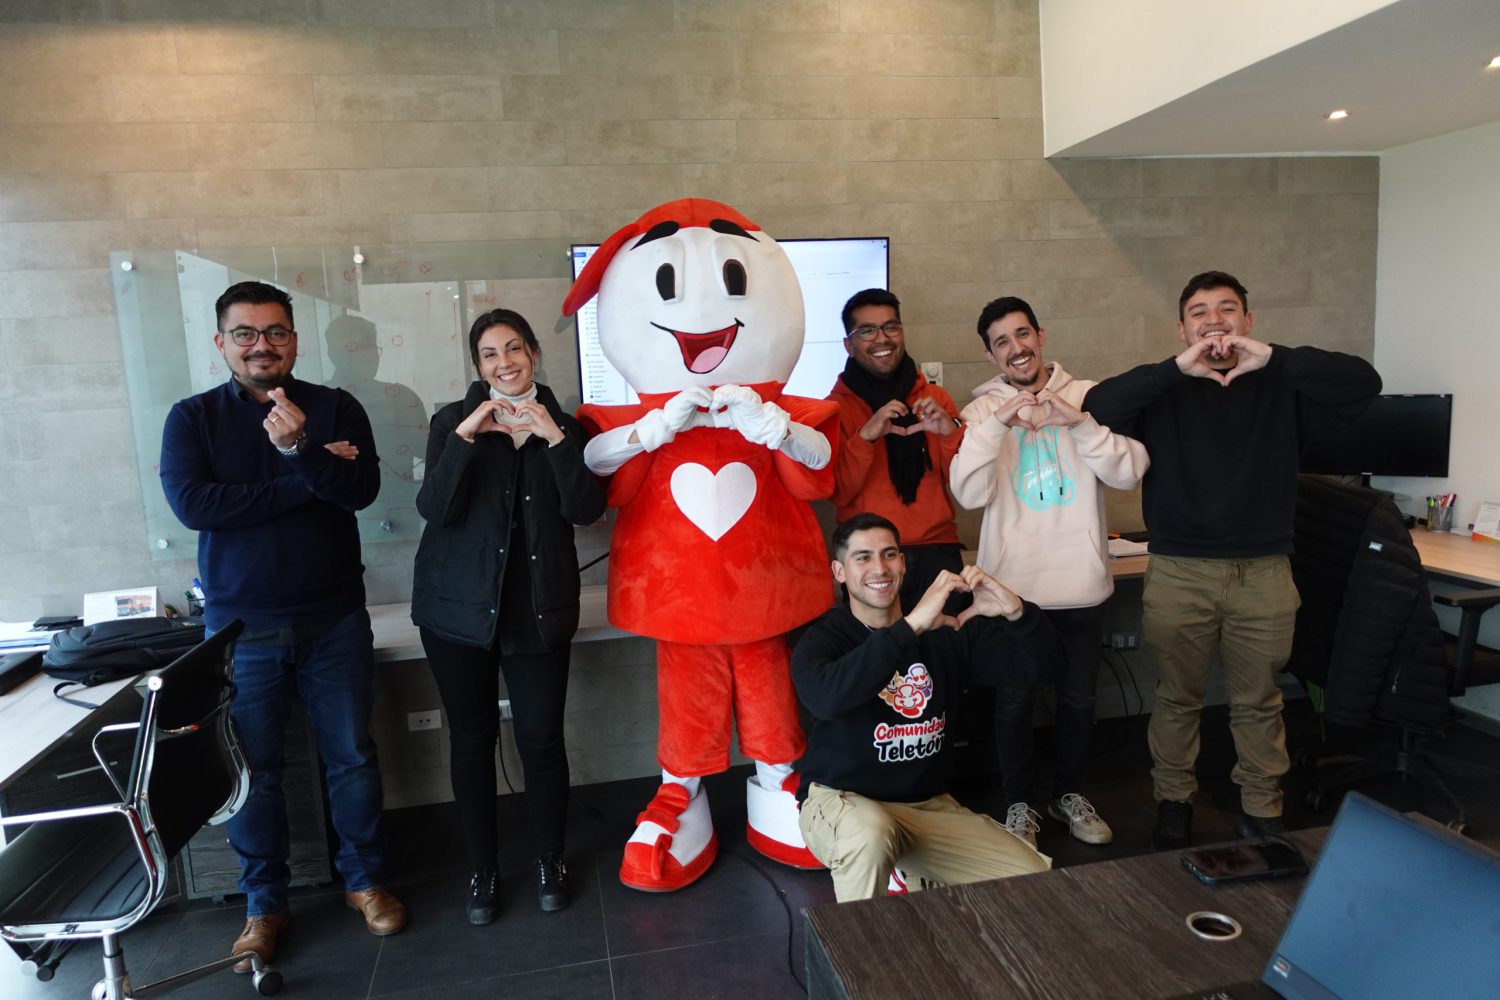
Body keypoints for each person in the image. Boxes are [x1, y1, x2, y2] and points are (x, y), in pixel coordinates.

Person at [1082, 271, 1381, 849]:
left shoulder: (1282, 383)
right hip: (1180, 571)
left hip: (1263, 571)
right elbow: (1098, 405)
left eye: (1226, 309)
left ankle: (1263, 807)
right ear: (1182, 328)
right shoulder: (1164, 389)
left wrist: (1273, 358)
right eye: (1199, 311)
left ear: (1248, 321)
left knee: (1259, 701)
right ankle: (1173, 801)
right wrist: (1176, 369)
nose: (1213, 320)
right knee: (1177, 698)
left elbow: (1363, 383)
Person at [159, 281, 404, 973]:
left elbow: (361, 491)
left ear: (293, 340)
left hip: (334, 619)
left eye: (274, 332)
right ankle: (264, 904)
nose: (261, 345)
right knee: (254, 774)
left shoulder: (336, 406)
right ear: (222, 342)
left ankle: (365, 881)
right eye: (245, 333)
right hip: (242, 632)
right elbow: (197, 506)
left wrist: (304, 450)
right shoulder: (193, 418)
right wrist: (307, 472)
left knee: (352, 757)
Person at [411, 308, 605, 923]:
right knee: (472, 741)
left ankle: (550, 858)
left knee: (541, 739)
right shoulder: (452, 421)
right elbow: (435, 509)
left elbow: (585, 509)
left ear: (534, 354)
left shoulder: (567, 427)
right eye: (491, 354)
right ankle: (483, 867)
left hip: (538, 610)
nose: (505, 363)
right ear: (478, 365)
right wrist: (467, 435)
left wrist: (554, 437)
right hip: (457, 611)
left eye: (514, 349)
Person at [949, 295, 1150, 849]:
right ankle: (1019, 804)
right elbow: (967, 493)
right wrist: (999, 424)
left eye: (1022, 334)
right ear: (990, 355)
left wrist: (1078, 423)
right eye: (1002, 342)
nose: (1016, 348)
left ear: (1041, 335)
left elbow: (1130, 472)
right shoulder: (980, 414)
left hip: (1079, 584)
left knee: (1079, 700)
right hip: (1011, 592)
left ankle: (1069, 795)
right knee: (1014, 701)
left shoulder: (1090, 397)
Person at [791, 513, 1056, 902]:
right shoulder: (823, 639)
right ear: (839, 572)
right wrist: (910, 627)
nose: (879, 568)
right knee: (871, 834)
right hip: (840, 802)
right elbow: (827, 699)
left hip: (925, 807)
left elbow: (1047, 669)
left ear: (903, 563)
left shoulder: (945, 631)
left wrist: (1017, 612)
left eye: (889, 554)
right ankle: (859, 938)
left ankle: (911, 873)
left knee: (1033, 879)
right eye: (863, 557)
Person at [828, 289, 966, 612]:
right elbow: (839, 492)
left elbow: (963, 484)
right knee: (879, 646)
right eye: (867, 331)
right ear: (849, 345)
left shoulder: (936, 399)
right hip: (869, 555)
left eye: (891, 327)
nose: (882, 338)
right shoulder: (834, 409)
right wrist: (866, 436)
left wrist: (950, 432)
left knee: (950, 642)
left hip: (936, 549)